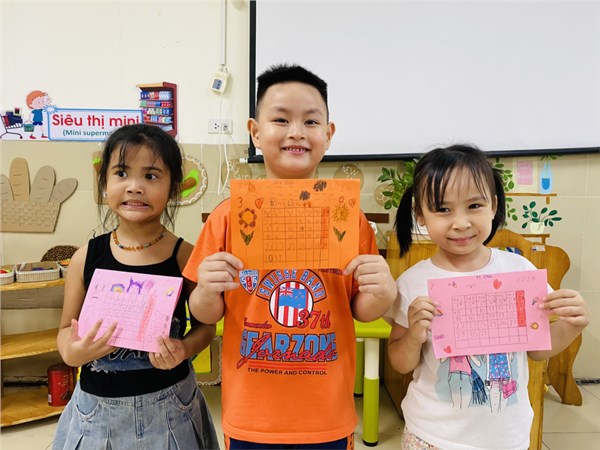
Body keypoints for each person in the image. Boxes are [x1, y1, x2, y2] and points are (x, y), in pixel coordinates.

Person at [182, 64, 398, 448]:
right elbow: (206, 313)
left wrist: (383, 293)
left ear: (328, 134)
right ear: (255, 132)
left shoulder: (348, 219)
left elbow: (362, 310)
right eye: (281, 119)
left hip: (327, 415)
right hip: (252, 415)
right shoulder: (228, 217)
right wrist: (205, 291)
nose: (296, 131)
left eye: (311, 121)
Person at [387, 144, 590, 450]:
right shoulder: (413, 282)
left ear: (493, 206)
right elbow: (400, 363)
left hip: (505, 438)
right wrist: (414, 335)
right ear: (420, 215)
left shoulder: (518, 270)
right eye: (443, 209)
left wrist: (573, 324)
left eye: (474, 205)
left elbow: (538, 352)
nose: (461, 222)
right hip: (431, 436)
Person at [53, 124, 219, 450]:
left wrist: (184, 349)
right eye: (121, 173)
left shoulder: (185, 256)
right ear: (104, 184)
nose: (135, 187)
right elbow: (65, 330)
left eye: (151, 176)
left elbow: (206, 328)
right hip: (97, 412)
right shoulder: (85, 257)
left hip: (170, 408)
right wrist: (71, 352)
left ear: (174, 189)